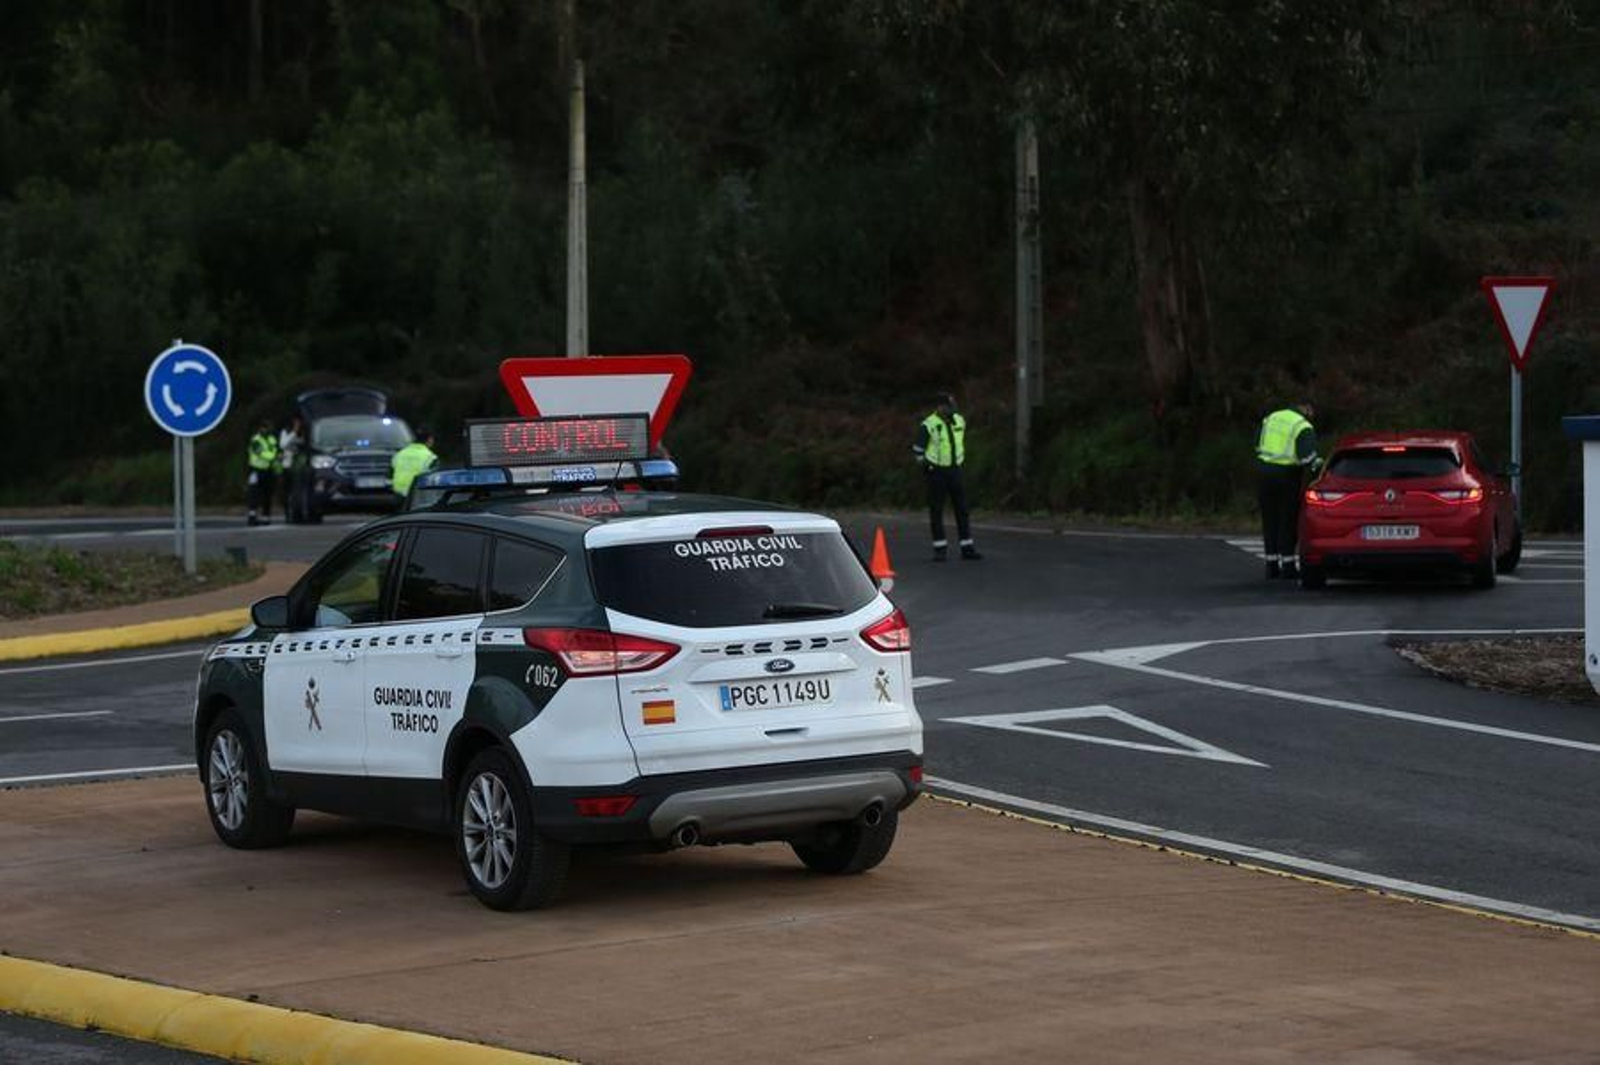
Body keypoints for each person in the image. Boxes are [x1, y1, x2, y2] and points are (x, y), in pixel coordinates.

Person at [913, 392, 981, 561]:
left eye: (953, 406)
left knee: (962, 509)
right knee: (937, 511)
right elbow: (918, 450)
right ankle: (940, 548)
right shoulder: (928, 425)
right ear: (940, 407)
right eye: (949, 406)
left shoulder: (959, 421)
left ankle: (967, 547)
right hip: (936, 472)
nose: (952, 409)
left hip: (955, 470)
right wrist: (927, 467)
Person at [1255, 402, 1320, 579]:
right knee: (1288, 519)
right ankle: (1288, 566)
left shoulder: (1271, 417)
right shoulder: (1303, 426)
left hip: (1263, 472)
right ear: (1307, 408)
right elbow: (1308, 458)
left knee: (1269, 518)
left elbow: (1257, 445)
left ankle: (1271, 565)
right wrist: (1319, 470)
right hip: (1287, 476)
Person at [246, 419, 280, 526]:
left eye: (267, 428)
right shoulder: (255, 440)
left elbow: (276, 449)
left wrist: (276, 463)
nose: (265, 430)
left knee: (267, 494)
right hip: (256, 470)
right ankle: (252, 516)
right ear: (259, 429)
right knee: (254, 494)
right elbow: (262, 453)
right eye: (263, 428)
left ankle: (266, 517)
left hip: (268, 470)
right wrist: (274, 456)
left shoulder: (271, 439)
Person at [391, 426, 439, 500]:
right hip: (418, 500)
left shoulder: (399, 454)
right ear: (430, 439)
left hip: (397, 498)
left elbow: (389, 477)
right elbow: (435, 482)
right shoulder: (431, 458)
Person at [277, 415, 306, 521]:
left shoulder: (302, 432)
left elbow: (303, 444)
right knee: (287, 491)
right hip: (287, 466)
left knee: (298, 491)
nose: (297, 424)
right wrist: (294, 432)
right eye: (295, 422)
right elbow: (283, 444)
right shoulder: (286, 432)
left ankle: (299, 514)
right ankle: (287, 514)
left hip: (298, 466)